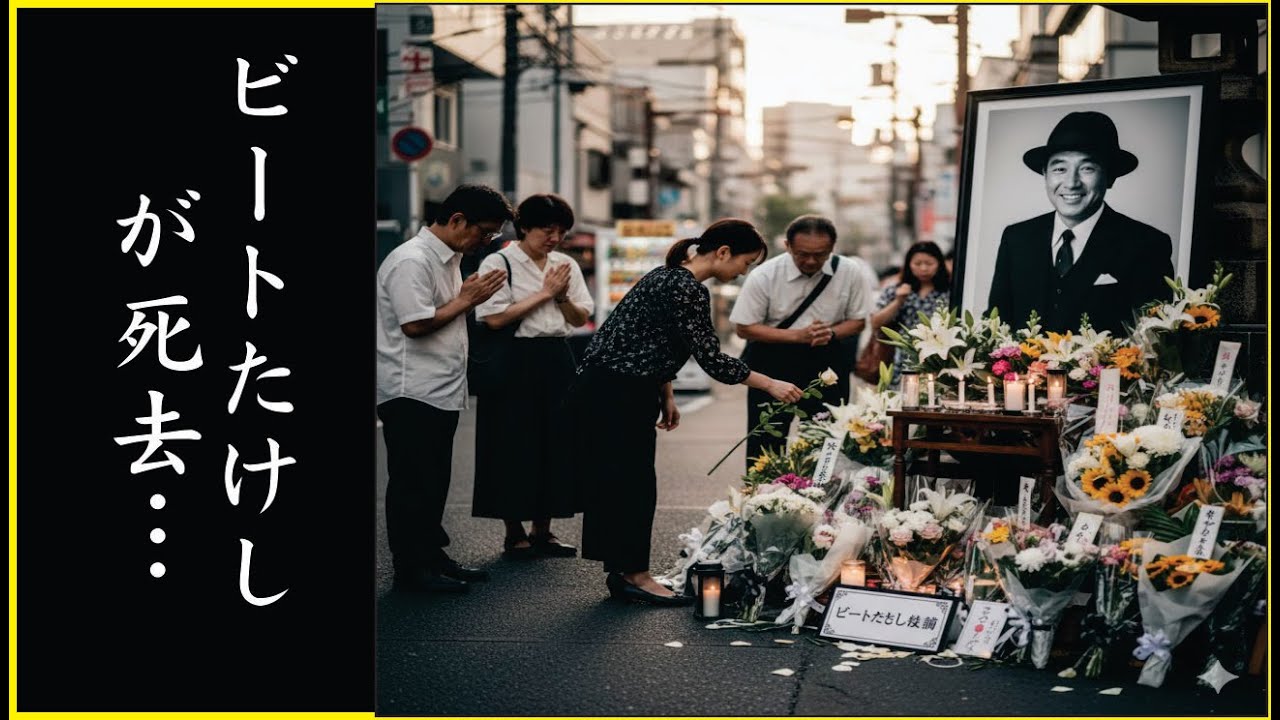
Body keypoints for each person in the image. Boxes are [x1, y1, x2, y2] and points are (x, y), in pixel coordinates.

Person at [566, 219, 804, 605]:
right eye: (744, 263)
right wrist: (771, 384)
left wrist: (666, 393)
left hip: (608, 387)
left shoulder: (664, 276)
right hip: (619, 392)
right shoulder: (686, 288)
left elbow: (645, 340)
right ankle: (635, 576)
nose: (743, 272)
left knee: (619, 484)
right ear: (723, 252)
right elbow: (711, 359)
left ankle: (623, 571)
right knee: (633, 485)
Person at [376, 184, 514, 593]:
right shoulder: (410, 261)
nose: (485, 242)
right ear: (457, 220)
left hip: (439, 387)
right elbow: (415, 324)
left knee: (433, 481)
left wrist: (466, 296)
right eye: (484, 232)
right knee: (412, 483)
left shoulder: (450, 258)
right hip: (410, 390)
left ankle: (432, 558)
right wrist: (467, 299)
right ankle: (411, 569)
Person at [471, 194, 594, 559]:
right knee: (512, 442)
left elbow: (579, 317)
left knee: (557, 442)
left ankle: (544, 530)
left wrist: (559, 299)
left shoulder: (564, 264)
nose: (554, 237)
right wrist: (546, 293)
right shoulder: (499, 261)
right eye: (546, 229)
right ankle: (514, 532)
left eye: (560, 231)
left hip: (557, 355)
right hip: (515, 357)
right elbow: (493, 318)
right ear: (524, 226)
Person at [987, 110, 1174, 335]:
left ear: (1110, 177)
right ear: (1045, 174)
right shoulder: (1017, 238)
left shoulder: (1146, 243)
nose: (1071, 183)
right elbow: (996, 324)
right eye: (1059, 169)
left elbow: (1155, 339)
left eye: (1087, 168)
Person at [730, 215, 874, 466]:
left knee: (826, 439)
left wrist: (830, 334)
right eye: (802, 254)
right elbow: (744, 328)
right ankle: (760, 498)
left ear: (832, 248)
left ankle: (822, 495)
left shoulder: (849, 271)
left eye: (820, 255)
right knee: (765, 440)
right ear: (787, 246)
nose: (810, 261)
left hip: (827, 363)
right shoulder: (765, 275)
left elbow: (859, 321)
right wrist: (797, 336)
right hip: (773, 363)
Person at [871, 241, 951, 382]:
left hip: (938, 358)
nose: (923, 268)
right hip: (902, 358)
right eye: (917, 263)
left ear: (939, 264)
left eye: (929, 263)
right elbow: (875, 322)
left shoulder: (949, 291)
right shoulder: (895, 289)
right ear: (908, 264)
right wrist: (898, 301)